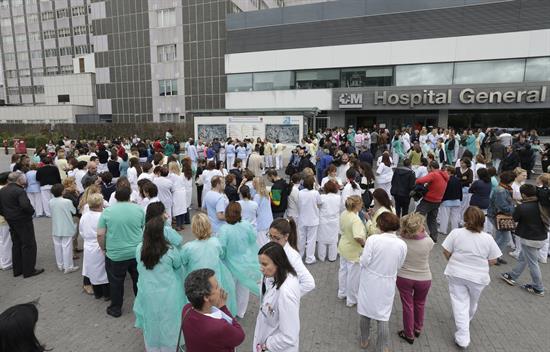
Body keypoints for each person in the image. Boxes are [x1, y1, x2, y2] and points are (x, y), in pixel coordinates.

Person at [442, 206, 502, 349]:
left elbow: (446, 250)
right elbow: (493, 260)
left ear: (465, 219)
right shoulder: (487, 238)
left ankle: (463, 334)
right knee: (472, 301)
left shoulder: (456, 233)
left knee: (459, 302)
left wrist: (453, 260)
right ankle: (465, 322)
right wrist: (482, 265)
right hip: (478, 277)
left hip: (456, 272)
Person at [133, 216, 185, 351]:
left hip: (147, 292)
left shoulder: (140, 249)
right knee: (170, 322)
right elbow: (178, 266)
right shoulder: (170, 250)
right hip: (169, 293)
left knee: (151, 321)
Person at [358, 212, 407, 350]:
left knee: (366, 311)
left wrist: (360, 258)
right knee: (383, 315)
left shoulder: (373, 239)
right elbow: (399, 264)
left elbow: (365, 261)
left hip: (370, 280)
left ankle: (364, 340)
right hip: (388, 281)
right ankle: (382, 346)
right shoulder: (402, 244)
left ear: (381, 225)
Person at [97, 186, 145, 317]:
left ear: (116, 197)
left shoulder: (107, 212)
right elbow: (144, 228)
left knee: (116, 282)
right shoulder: (139, 209)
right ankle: (142, 305)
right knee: (138, 280)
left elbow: (100, 234)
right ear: (129, 196)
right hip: (136, 252)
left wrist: (104, 248)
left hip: (115, 254)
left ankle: (116, 308)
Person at [180, 213, 237, 314]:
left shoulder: (188, 247)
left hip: (196, 285)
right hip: (214, 282)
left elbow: (182, 262)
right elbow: (221, 254)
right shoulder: (215, 242)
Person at [180, 269, 245, 352]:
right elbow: (240, 336)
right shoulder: (219, 326)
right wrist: (223, 308)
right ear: (206, 297)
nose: (220, 289)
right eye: (217, 287)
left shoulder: (186, 309)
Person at [253, 242, 301, 352]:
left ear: (278, 263)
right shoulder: (274, 278)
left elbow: (289, 336)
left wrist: (266, 345)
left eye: (265, 264)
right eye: (260, 264)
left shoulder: (286, 293)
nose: (261, 268)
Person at [501, 184, 547, 296]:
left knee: (533, 263)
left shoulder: (523, 207)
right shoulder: (541, 204)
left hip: (529, 238)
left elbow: (515, 218)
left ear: (524, 195)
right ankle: (513, 275)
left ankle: (538, 287)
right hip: (541, 237)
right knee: (523, 257)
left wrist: (517, 206)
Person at [218, 202, 261, 319]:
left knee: (230, 287)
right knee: (243, 288)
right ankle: (241, 312)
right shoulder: (246, 224)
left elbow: (221, 249)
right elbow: (253, 238)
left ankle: (231, 311)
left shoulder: (224, 229)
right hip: (245, 261)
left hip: (230, 263)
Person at [396, 213, 434, 344]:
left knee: (408, 305)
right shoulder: (428, 241)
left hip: (404, 277)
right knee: (420, 303)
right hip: (424, 277)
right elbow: (428, 239)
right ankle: (417, 328)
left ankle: (408, 333)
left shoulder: (400, 241)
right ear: (419, 227)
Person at [0, 172, 43, 278]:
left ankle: (18, 269)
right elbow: (25, 205)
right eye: (23, 178)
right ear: (19, 180)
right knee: (28, 244)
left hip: (11, 220)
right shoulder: (19, 191)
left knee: (16, 244)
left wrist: (6, 214)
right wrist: (31, 212)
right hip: (22, 220)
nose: (25, 180)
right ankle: (29, 270)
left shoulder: (3, 190)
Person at [268, 218, 315, 296]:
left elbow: (309, 283)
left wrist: (286, 295)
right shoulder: (275, 246)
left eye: (276, 238)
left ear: (286, 236)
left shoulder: (292, 256)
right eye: (270, 236)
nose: (272, 241)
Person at [337, 195, 367, 307]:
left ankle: (342, 292)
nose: (362, 205)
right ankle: (352, 299)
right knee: (353, 276)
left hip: (343, 246)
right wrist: (365, 244)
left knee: (343, 271)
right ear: (357, 205)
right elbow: (357, 237)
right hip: (353, 250)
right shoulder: (356, 220)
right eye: (361, 203)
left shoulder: (344, 213)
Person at [79, 193, 110, 299]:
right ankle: (107, 294)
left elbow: (81, 231)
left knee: (93, 270)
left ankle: (98, 293)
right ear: (101, 204)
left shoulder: (84, 216)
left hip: (88, 246)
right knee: (104, 271)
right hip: (101, 245)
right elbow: (105, 232)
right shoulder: (103, 216)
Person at [415, 161, 449, 243]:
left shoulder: (434, 174)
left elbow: (421, 180)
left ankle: (416, 234)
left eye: (428, 168)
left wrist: (417, 182)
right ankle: (434, 237)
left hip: (428, 199)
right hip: (438, 200)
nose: (427, 170)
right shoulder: (444, 175)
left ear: (431, 167)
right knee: (432, 219)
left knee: (417, 216)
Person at [487, 171, 516, 265]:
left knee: (502, 238)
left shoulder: (502, 188)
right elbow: (503, 207)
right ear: (510, 181)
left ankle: (496, 256)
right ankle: (493, 256)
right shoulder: (501, 190)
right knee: (503, 238)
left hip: (497, 215)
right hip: (498, 216)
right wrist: (515, 208)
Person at [49, 183, 79, 274]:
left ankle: (60, 265)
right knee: (66, 247)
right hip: (66, 226)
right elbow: (74, 211)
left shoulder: (50, 201)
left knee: (57, 246)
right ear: (62, 191)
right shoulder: (67, 201)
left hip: (56, 227)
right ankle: (68, 266)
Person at [297, 175, 322, 265]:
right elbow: (320, 203)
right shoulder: (315, 193)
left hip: (302, 218)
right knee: (311, 239)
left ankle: (300, 255)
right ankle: (309, 257)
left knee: (301, 238)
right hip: (313, 219)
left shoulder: (300, 193)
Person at [317, 180, 341, 262]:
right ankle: (332, 257)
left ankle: (321, 257)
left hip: (323, 220)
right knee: (333, 240)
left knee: (321, 240)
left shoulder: (322, 197)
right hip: (334, 221)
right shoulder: (338, 198)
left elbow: (318, 206)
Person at [438, 166, 463, 235]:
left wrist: (441, 199)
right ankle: (455, 231)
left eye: (446, 170)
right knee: (455, 217)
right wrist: (460, 199)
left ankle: (443, 230)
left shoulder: (446, 179)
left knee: (444, 216)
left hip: (446, 201)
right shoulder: (458, 180)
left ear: (449, 171)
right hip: (457, 201)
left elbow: (444, 190)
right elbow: (460, 191)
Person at [253, 176, 274, 248]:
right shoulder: (267, 194)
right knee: (268, 242)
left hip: (261, 223)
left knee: (261, 245)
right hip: (269, 221)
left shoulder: (257, 196)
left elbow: (255, 211)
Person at [167, 161, 188, 231]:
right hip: (183, 192)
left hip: (177, 193)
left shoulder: (172, 175)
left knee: (177, 210)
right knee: (182, 209)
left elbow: (169, 183)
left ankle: (178, 225)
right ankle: (182, 224)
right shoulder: (181, 174)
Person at [0, 172, 12, 270]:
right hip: (4, 220)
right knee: (6, 241)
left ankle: (2, 261)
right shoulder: (5, 191)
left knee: (1, 241)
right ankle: (6, 263)